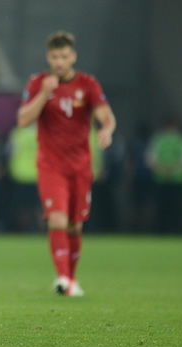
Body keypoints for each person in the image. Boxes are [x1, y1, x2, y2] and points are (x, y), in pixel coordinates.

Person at [17, 31, 116, 296]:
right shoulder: (39, 82)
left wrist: (106, 130)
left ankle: (71, 279)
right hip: (51, 165)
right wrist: (44, 94)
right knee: (57, 220)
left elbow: (106, 116)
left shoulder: (87, 83)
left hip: (81, 166)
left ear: (73, 56)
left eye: (64, 56)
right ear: (48, 57)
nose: (59, 62)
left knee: (75, 225)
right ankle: (62, 278)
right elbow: (23, 120)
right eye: (54, 57)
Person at [145, 117, 182, 233]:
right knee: (175, 208)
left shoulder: (158, 140)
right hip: (177, 180)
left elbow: (150, 160)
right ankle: (175, 230)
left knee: (164, 208)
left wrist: (164, 169)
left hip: (163, 179)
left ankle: (162, 230)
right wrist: (173, 169)